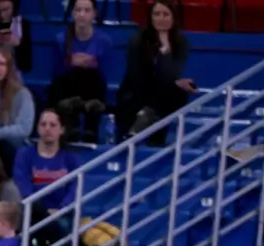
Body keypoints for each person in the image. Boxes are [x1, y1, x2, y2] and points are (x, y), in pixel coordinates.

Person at [119, 0, 193, 136]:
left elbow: (172, 73)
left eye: (166, 14)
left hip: (162, 93)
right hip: (137, 91)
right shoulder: (137, 40)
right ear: (150, 17)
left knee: (179, 94)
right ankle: (148, 119)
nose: (161, 18)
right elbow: (136, 76)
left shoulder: (181, 42)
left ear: (173, 18)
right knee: (165, 94)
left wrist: (165, 50)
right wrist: (174, 82)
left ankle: (149, 118)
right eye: (157, 14)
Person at [49, 0, 112, 142]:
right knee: (70, 76)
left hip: (93, 88)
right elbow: (55, 74)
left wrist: (93, 64)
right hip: (68, 87)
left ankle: (91, 124)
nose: (82, 14)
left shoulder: (104, 41)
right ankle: (71, 122)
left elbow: (106, 74)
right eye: (78, 10)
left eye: (86, 10)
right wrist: (69, 62)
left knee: (92, 75)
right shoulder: (60, 40)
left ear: (94, 14)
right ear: (72, 13)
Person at [14, 108, 82, 213]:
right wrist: (42, 211)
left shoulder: (71, 157)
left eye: (52, 125)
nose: (47, 128)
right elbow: (23, 186)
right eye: (43, 124)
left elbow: (74, 189)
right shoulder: (24, 155)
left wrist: (62, 209)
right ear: (37, 128)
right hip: (34, 213)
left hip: (62, 213)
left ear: (62, 130)